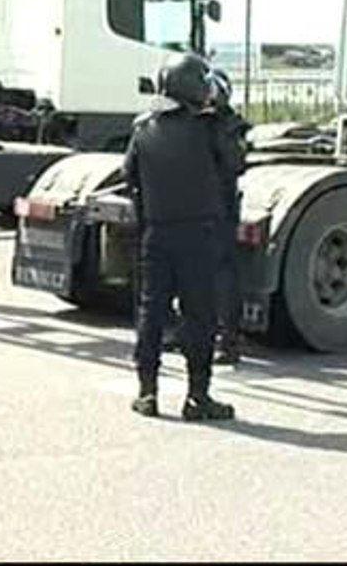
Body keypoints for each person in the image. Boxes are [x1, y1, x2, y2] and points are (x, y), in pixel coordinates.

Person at [123, 53, 236, 421]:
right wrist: (223, 115)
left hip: (156, 232)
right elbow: (234, 163)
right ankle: (197, 396)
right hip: (198, 233)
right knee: (199, 315)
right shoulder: (206, 127)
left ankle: (147, 393)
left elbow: (131, 179)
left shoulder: (143, 128)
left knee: (151, 313)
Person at [208, 69, 250, 365]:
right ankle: (191, 332)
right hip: (196, 207)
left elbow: (235, 164)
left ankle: (228, 340)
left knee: (223, 273)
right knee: (191, 272)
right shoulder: (196, 124)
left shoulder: (229, 126)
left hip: (220, 207)